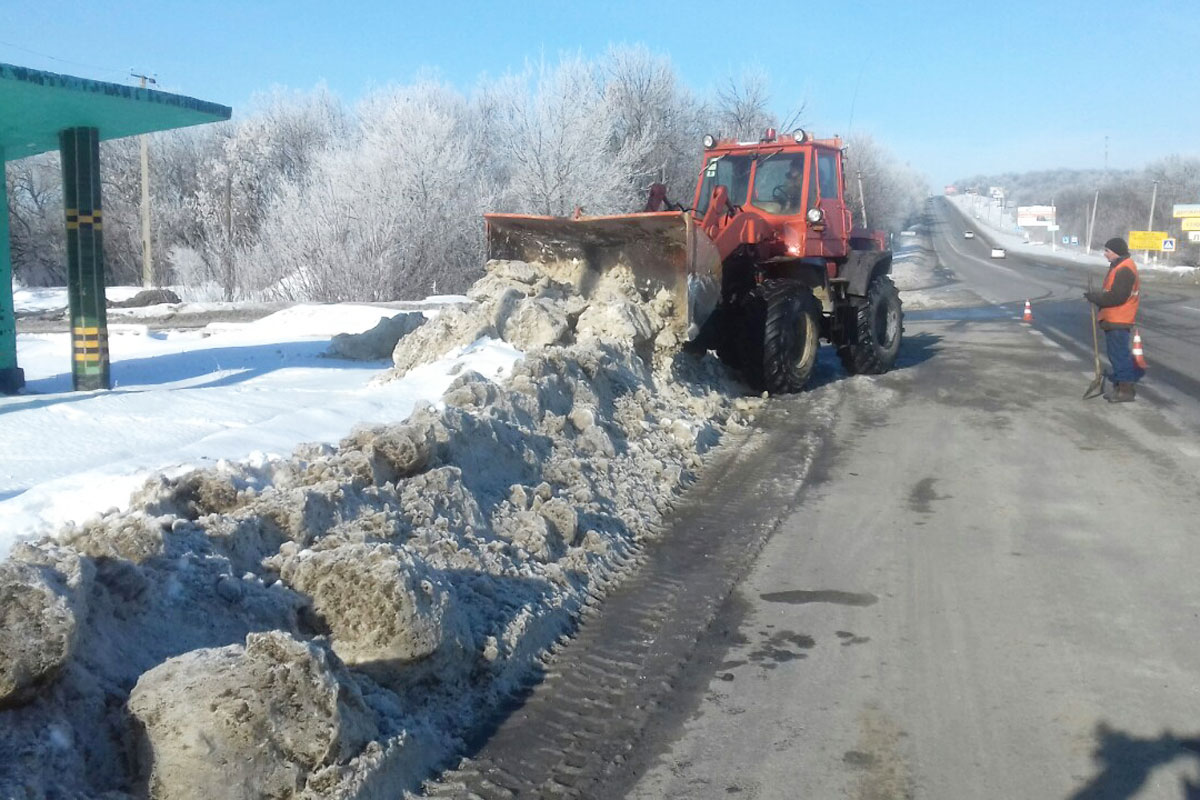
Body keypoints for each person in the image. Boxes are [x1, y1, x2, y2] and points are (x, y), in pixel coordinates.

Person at [1084, 237, 1143, 402]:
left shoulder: (1124, 269)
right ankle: (1120, 386)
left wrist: (1095, 298)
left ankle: (1125, 390)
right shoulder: (1119, 267)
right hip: (1114, 318)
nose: (1105, 254)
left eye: (1107, 251)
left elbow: (1117, 297)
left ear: (1116, 252)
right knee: (1116, 354)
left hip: (1119, 318)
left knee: (1119, 355)